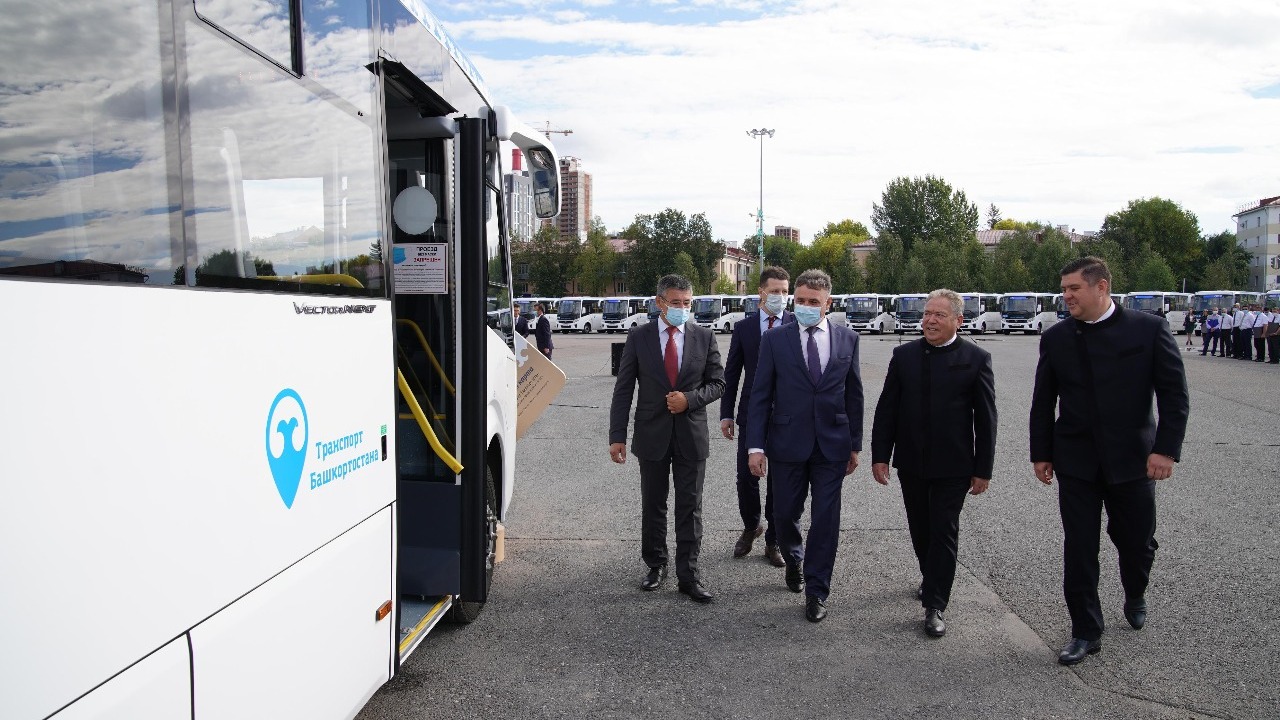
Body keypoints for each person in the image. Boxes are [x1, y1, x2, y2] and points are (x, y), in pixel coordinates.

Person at [1030, 257, 1189, 666]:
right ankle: (1086, 630)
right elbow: (1043, 400)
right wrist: (1041, 453)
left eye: (1074, 289)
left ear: (1101, 287)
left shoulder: (1148, 330)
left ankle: (1135, 590)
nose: (1066, 297)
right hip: (1077, 461)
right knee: (1079, 548)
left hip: (1134, 460)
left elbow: (1174, 395)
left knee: (1136, 542)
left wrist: (1166, 449)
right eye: (1063, 290)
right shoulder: (1057, 337)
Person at [871, 289, 996, 638]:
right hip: (911, 461)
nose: (930, 320)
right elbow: (887, 409)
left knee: (943, 530)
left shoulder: (976, 358)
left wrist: (983, 469)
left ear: (959, 320)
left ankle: (935, 603)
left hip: (954, 465)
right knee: (920, 528)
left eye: (939, 315)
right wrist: (880, 456)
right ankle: (931, 577)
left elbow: (987, 420)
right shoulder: (904, 356)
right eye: (927, 314)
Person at [746, 269, 864, 623]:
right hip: (787, 444)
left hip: (832, 445)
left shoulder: (848, 339)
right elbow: (760, 395)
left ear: (829, 303)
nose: (806, 306)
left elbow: (854, 395)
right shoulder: (775, 340)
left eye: (814, 301)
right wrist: (755, 446)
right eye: (800, 300)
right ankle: (794, 557)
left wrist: (855, 445)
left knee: (826, 519)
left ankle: (817, 590)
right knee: (784, 514)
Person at [609, 274, 725, 603]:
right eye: (676, 302)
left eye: (687, 303)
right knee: (653, 504)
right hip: (652, 434)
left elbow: (718, 383)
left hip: (691, 435)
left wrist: (690, 399)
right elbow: (624, 388)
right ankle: (656, 564)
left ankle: (688, 575)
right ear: (660, 302)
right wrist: (617, 435)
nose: (682, 308)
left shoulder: (704, 337)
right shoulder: (639, 337)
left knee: (690, 507)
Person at [720, 266, 794, 566]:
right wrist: (726, 414)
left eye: (785, 292)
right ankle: (752, 526)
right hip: (751, 414)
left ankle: (774, 540)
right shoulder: (745, 328)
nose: (780, 297)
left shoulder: (794, 323)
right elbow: (731, 374)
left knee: (780, 481)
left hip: (787, 416)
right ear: (761, 292)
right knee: (746, 478)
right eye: (775, 291)